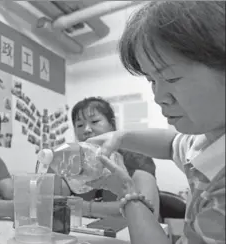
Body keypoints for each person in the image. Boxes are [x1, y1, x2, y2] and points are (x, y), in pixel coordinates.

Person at [86, 2, 225, 244]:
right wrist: (120, 137)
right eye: (152, 80)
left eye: (171, 77)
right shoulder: (206, 139)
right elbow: (173, 144)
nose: (159, 97)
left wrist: (128, 192)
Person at [49, 97, 160, 219]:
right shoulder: (71, 160)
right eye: (80, 125)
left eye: (95, 121)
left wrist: (82, 207)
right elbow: (53, 202)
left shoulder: (135, 156)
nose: (86, 130)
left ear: (112, 124)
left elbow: (147, 210)